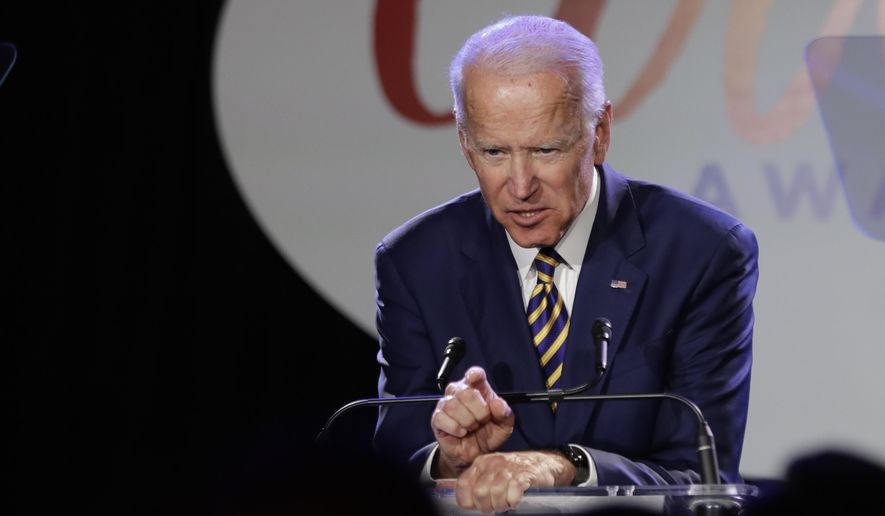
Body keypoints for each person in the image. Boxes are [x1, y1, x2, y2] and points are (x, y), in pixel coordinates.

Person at [373, 15, 758, 513]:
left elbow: (704, 481)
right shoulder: (417, 262)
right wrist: (448, 462)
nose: (520, 186)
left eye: (545, 150)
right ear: (465, 143)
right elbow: (388, 471)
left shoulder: (701, 252)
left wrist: (567, 467)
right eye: (494, 152)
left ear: (600, 133)